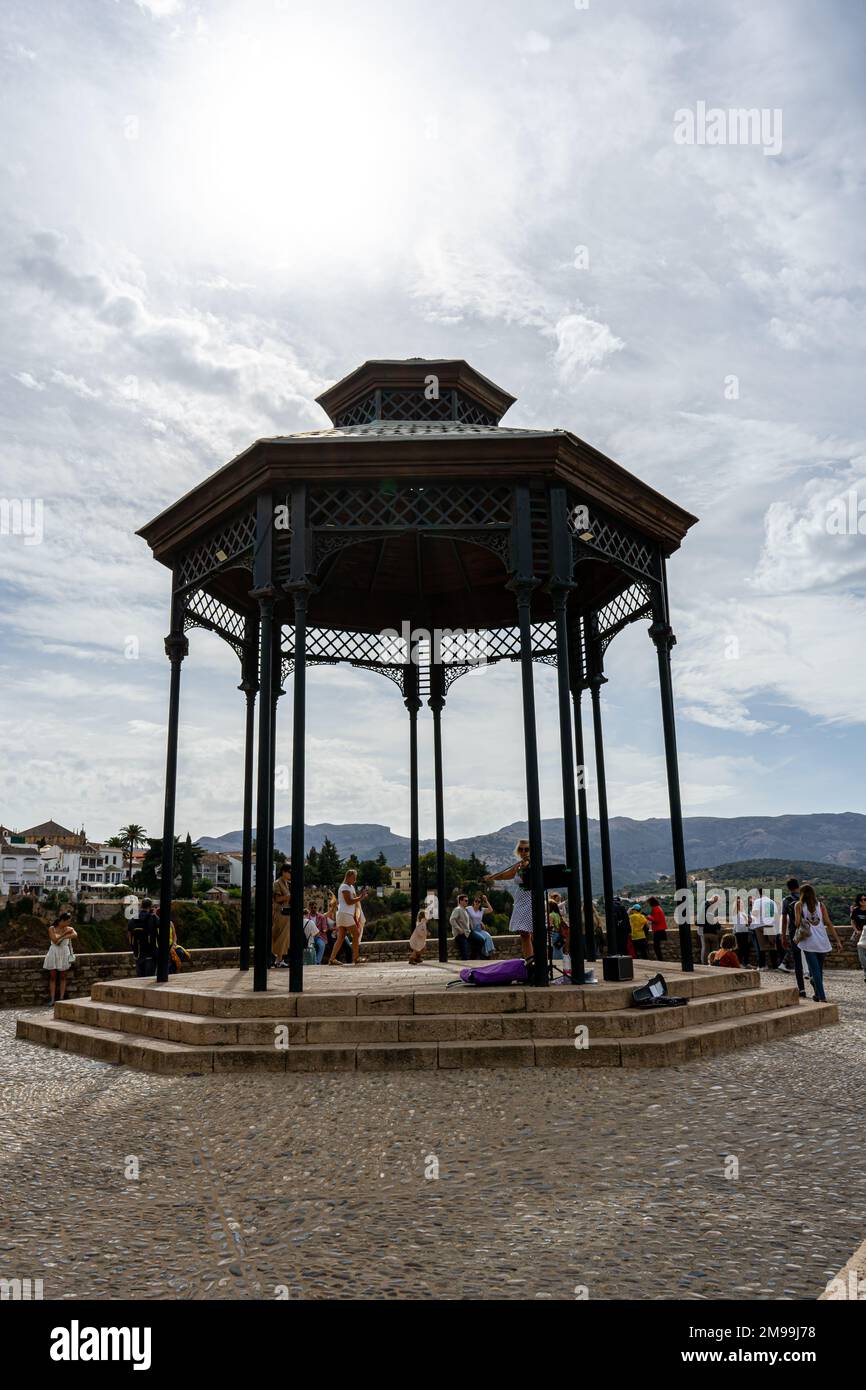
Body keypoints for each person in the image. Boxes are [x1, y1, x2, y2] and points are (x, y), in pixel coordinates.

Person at [485, 840, 534, 959]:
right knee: (524, 934)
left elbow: (527, 878)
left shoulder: (533, 864)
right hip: (520, 900)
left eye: (526, 849)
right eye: (521, 849)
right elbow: (505, 875)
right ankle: (529, 961)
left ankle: (537, 962)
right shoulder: (518, 865)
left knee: (532, 933)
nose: (523, 852)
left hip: (531, 899)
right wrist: (492, 877)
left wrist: (526, 865)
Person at [793, 883, 841, 1003]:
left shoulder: (798, 905)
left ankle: (821, 995)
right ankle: (819, 994)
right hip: (822, 941)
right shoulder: (821, 905)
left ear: (802, 894)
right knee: (818, 970)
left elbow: (797, 924)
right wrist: (837, 940)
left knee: (815, 971)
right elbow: (829, 923)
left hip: (808, 942)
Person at [329, 869, 368, 966]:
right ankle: (356, 958)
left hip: (343, 914)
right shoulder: (344, 887)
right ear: (349, 877)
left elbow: (353, 901)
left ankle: (332, 959)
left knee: (341, 937)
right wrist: (360, 898)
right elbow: (349, 901)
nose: (355, 880)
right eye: (354, 878)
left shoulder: (350, 887)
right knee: (356, 933)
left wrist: (359, 898)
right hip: (345, 914)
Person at [780, 877, 806, 997]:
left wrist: (783, 936)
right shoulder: (805, 898)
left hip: (794, 931)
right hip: (808, 931)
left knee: (797, 961)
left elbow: (785, 920)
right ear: (798, 886)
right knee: (810, 957)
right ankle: (816, 985)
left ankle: (801, 989)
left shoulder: (786, 900)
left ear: (788, 888)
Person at [43, 911, 77, 1004]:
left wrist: (65, 935)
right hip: (53, 952)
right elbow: (54, 940)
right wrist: (64, 935)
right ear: (62, 920)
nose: (69, 923)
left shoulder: (69, 928)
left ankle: (61, 999)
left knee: (63, 977)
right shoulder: (52, 928)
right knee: (53, 977)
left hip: (64, 953)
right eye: (68, 921)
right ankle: (52, 999)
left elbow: (75, 935)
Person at [751, 887, 780, 968]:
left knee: (762, 947)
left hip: (759, 925)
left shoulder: (757, 901)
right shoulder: (771, 902)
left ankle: (762, 966)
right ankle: (774, 966)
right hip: (770, 925)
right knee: (772, 946)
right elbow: (776, 915)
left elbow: (755, 913)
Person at [129, 898, 158, 977]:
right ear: (151, 907)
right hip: (150, 954)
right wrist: (155, 914)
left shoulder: (133, 918)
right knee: (149, 979)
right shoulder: (153, 918)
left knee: (140, 980)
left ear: (141, 906)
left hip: (138, 954)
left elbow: (129, 934)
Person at [271, 862, 291, 968]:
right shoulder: (277, 883)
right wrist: (288, 897)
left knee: (284, 937)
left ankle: (279, 959)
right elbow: (277, 898)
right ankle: (278, 959)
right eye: (289, 872)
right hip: (279, 913)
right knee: (280, 936)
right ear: (284, 872)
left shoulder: (287, 883)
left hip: (286, 914)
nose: (290, 874)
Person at [450, 893, 480, 961]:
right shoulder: (457, 909)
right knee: (464, 953)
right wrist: (459, 929)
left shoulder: (464, 909)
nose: (467, 902)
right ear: (460, 901)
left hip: (468, 932)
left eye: (467, 900)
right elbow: (452, 920)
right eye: (465, 900)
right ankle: (466, 963)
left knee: (480, 940)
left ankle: (472, 958)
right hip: (460, 934)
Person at [467, 893, 496, 957]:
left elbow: (491, 910)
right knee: (482, 938)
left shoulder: (481, 910)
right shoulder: (469, 908)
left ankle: (488, 954)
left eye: (479, 902)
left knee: (488, 937)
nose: (477, 903)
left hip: (479, 929)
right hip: (473, 929)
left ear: (480, 903)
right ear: (473, 902)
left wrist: (486, 900)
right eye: (476, 901)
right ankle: (483, 954)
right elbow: (462, 910)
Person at [850, 892, 866, 985]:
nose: (863, 901)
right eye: (862, 900)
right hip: (860, 934)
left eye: (865, 899)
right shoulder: (856, 911)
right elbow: (852, 921)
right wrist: (856, 930)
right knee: (862, 957)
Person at [646, 896, 668, 962]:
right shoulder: (658, 908)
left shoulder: (655, 909)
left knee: (656, 947)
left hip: (658, 930)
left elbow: (656, 920)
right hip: (661, 929)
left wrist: (648, 917)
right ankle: (660, 959)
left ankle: (660, 960)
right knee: (657, 946)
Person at [732, 895, 751, 966]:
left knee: (746, 948)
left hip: (745, 931)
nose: (741, 904)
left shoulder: (743, 912)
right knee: (740, 948)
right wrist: (738, 900)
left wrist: (749, 921)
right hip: (739, 932)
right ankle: (739, 963)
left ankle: (746, 963)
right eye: (739, 903)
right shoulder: (735, 911)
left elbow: (747, 923)